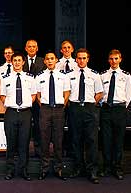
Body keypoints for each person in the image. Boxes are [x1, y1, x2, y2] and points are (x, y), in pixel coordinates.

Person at [67, 48, 103, 184]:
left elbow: (99, 93)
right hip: (75, 109)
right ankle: (78, 168)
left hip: (89, 109)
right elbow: (67, 92)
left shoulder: (94, 75)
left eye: (84, 58)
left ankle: (92, 171)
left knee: (92, 141)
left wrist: (91, 103)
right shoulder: (69, 75)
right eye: (79, 58)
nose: (81, 60)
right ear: (76, 59)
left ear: (88, 59)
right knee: (76, 140)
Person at [0, 52, 36, 181]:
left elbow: (34, 95)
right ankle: (9, 170)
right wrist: (12, 105)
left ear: (23, 62)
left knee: (24, 143)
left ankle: (24, 170)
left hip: (25, 113)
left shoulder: (31, 78)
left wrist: (24, 105)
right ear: (12, 62)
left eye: (19, 60)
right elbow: (2, 96)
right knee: (11, 143)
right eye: (14, 60)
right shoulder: (6, 78)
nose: (17, 63)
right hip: (11, 113)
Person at [35, 51, 70, 181]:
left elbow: (67, 93)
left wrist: (61, 105)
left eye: (52, 59)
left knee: (58, 140)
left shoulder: (63, 76)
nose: (50, 61)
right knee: (44, 139)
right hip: (44, 109)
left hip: (59, 109)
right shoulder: (39, 76)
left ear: (56, 60)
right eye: (47, 59)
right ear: (44, 61)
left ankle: (59, 169)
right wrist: (44, 106)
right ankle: (44, 169)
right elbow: (37, 95)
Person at [99, 49, 131, 180]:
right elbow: (101, 93)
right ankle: (106, 167)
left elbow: (128, 94)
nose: (113, 61)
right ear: (108, 60)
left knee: (118, 140)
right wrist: (103, 105)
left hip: (120, 110)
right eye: (111, 59)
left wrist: (122, 107)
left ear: (120, 59)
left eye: (116, 59)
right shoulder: (103, 75)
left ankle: (117, 167)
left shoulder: (126, 75)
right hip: (106, 110)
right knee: (106, 140)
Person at [23, 39, 46, 158]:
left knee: (38, 125)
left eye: (34, 47)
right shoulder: (20, 61)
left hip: (38, 99)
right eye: (29, 47)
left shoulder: (43, 61)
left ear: (37, 48)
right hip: (23, 99)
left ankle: (38, 149)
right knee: (24, 126)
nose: (31, 48)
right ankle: (23, 150)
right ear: (25, 48)